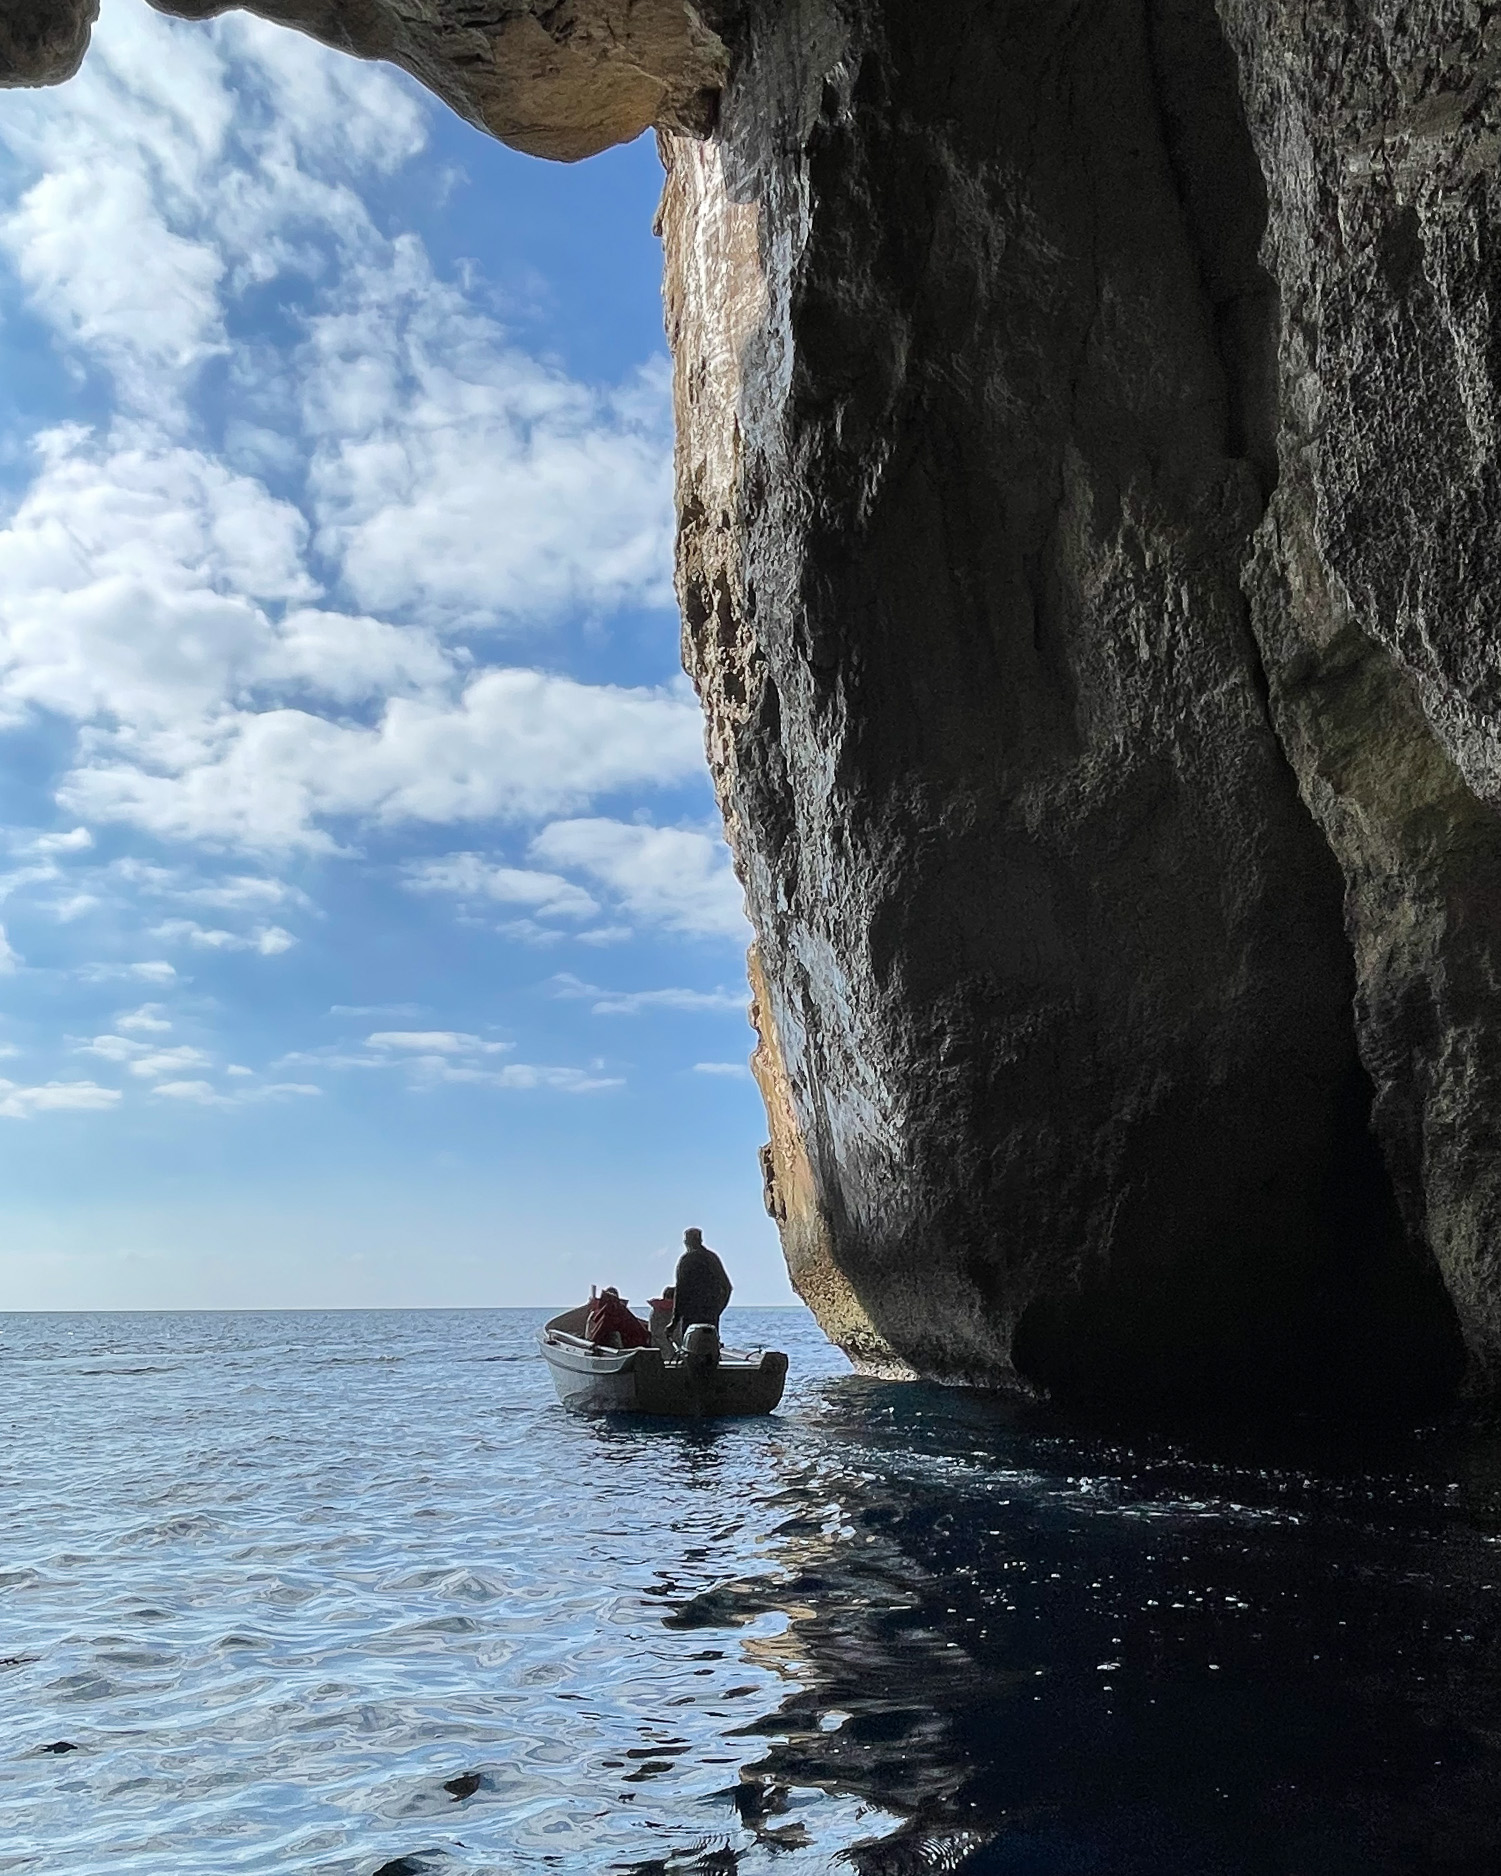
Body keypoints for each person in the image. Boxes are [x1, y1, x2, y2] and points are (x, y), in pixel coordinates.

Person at [667, 1228, 733, 1339]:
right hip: (710, 1315)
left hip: (691, 1315)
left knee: (690, 1349)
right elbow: (727, 1287)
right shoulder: (712, 1258)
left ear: (687, 1242)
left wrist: (674, 1322)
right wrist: (717, 1310)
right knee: (710, 1348)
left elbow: (680, 1292)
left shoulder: (686, 1260)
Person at [584, 1285, 651, 1350]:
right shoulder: (620, 1309)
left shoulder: (611, 1309)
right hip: (641, 1342)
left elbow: (600, 1330)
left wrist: (592, 1343)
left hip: (634, 1344)